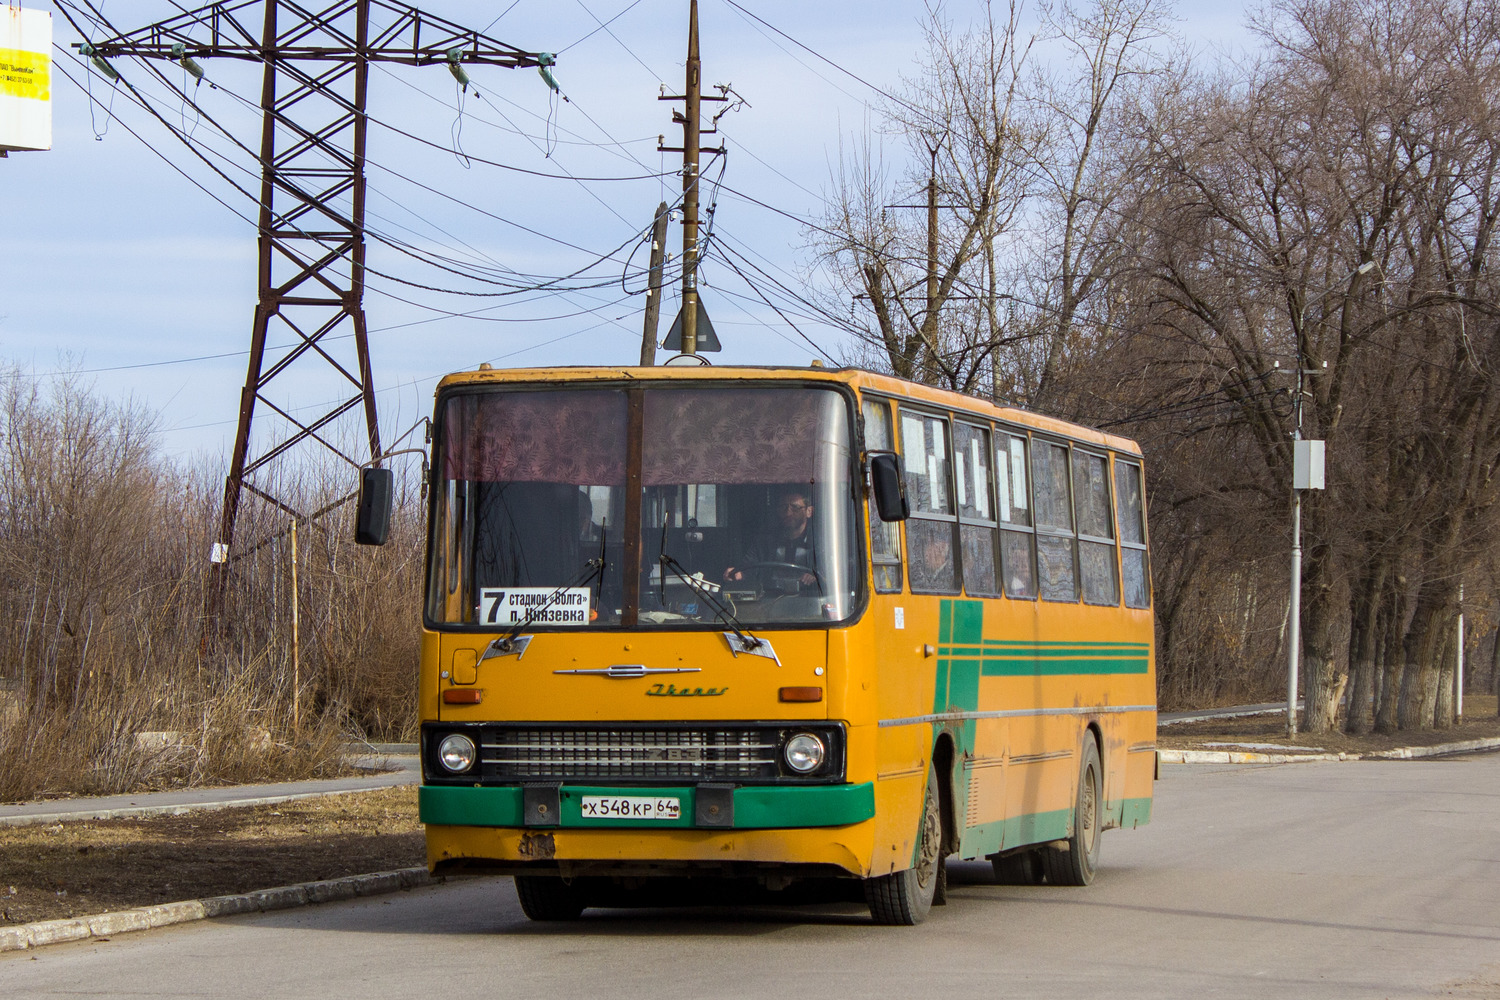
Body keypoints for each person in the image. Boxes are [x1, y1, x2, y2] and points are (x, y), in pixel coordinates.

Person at [724, 488, 818, 590]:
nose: (788, 513)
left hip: (807, 599)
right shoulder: (764, 541)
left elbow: (829, 573)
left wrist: (816, 576)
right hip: (769, 599)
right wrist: (737, 573)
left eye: (795, 507)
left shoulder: (820, 543)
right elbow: (748, 567)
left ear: (809, 511)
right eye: (783, 507)